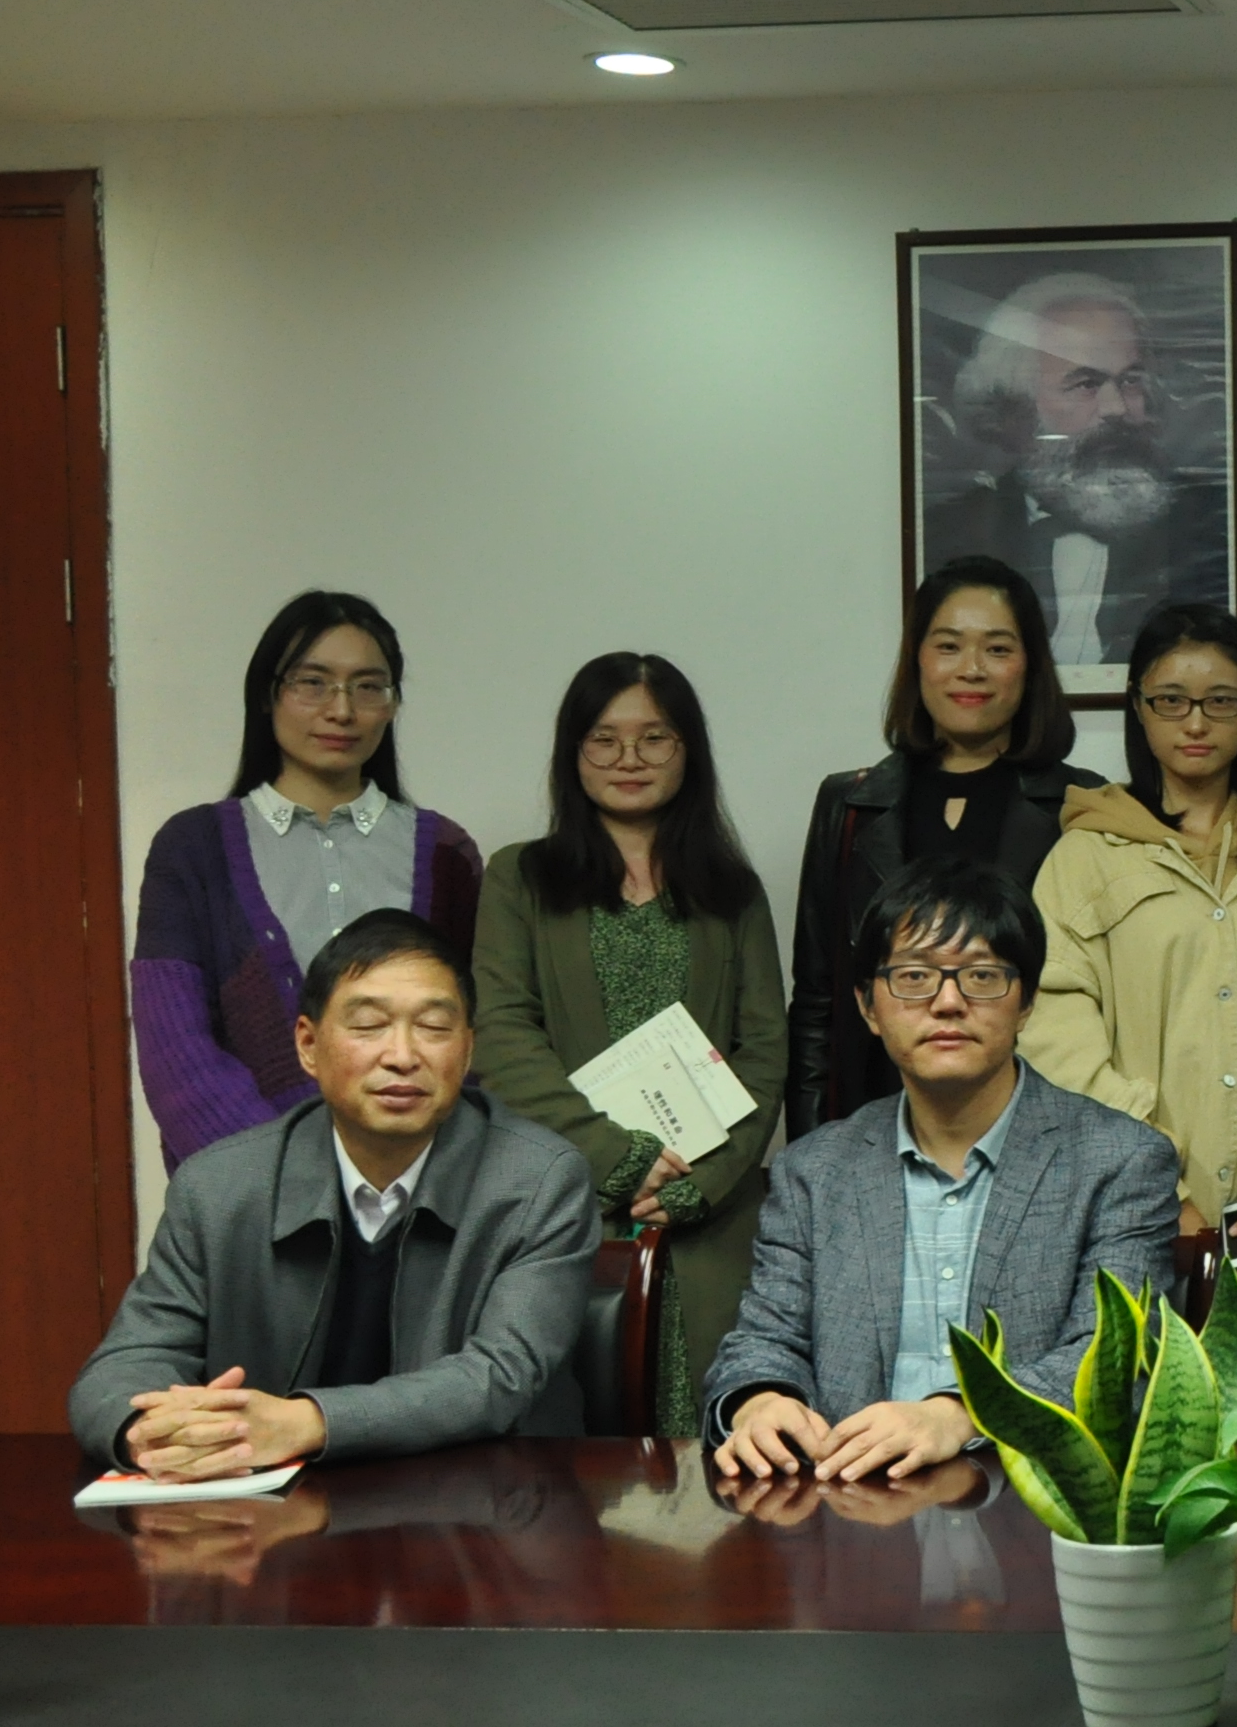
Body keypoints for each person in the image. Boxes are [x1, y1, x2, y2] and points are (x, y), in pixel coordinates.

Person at [74, 911, 599, 1471]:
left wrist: (304, 1423)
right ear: (308, 1044)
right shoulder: (218, 1187)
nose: (402, 1055)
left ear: (467, 1051)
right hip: (275, 1509)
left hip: (485, 1499)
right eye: (369, 1025)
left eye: (434, 1027)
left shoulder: (539, 1180)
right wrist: (152, 1434)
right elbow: (125, 1365)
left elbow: (500, 1376)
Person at [707, 859, 1179, 1482]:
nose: (948, 1002)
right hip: (847, 1502)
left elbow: (1114, 1358)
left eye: (982, 976)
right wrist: (759, 1399)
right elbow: (764, 1339)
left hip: (1036, 1502)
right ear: (868, 1007)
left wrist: (961, 1415)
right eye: (914, 977)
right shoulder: (814, 1170)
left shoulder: (1120, 1160)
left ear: (1026, 1002)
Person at [470, 652, 786, 1434]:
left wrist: (699, 1184)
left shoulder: (733, 890)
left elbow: (764, 1049)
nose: (629, 759)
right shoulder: (519, 878)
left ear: (688, 751)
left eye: (655, 738)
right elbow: (503, 1037)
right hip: (566, 1205)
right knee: (575, 1464)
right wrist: (619, 1157)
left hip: (711, 1218)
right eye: (604, 739)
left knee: (723, 1453)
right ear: (573, 752)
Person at [130, 592, 484, 1167]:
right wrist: (283, 1181)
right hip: (248, 1192)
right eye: (312, 683)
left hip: (426, 1188)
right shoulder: (193, 849)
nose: (341, 710)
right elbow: (176, 1053)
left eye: (368, 687)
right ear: (267, 695)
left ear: (393, 704)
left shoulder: (447, 852)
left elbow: (470, 1038)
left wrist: (413, 1178)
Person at [1022, 602, 1237, 1237]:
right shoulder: (1085, 859)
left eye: (1220, 701)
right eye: (1171, 700)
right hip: (1126, 1206)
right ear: (1138, 707)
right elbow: (1056, 1043)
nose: (1195, 722)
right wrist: (1157, 1179)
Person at [786, 556, 1100, 1138]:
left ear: (1031, 666)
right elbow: (817, 1002)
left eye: (998, 649)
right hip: (874, 1125)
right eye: (949, 646)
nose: (971, 670)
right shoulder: (850, 805)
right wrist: (809, 1148)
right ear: (918, 661)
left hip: (1037, 1130)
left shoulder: (1081, 805)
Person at [922, 270, 1230, 674]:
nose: (1116, 408)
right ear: (1016, 405)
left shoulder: (1211, 528)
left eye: (1131, 381)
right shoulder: (946, 536)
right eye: (1086, 384)